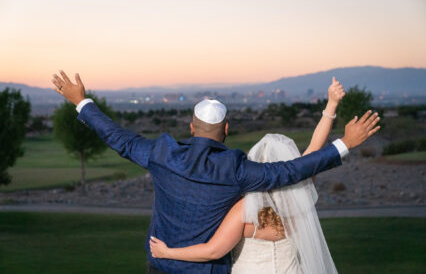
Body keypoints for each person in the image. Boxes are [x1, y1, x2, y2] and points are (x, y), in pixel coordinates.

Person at [52, 71, 380, 274]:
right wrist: (344, 143)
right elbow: (294, 170)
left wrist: (81, 101)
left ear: (192, 126)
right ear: (227, 128)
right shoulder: (238, 169)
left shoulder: (161, 153)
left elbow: (118, 137)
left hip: (159, 266)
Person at [149, 79, 348, 273]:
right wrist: (331, 105)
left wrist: (167, 252)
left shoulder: (244, 209)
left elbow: (213, 250)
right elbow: (314, 152)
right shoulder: (299, 197)